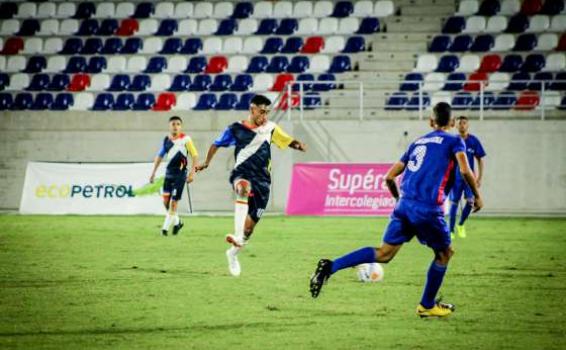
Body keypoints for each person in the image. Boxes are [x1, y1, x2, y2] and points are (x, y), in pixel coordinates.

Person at [309, 102, 483, 318]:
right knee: (444, 253)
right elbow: (466, 170)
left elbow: (389, 177)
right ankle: (427, 305)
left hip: (404, 205)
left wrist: (400, 201)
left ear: (431, 121)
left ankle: (330, 267)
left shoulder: (417, 142)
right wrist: (476, 195)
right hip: (428, 208)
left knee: (384, 253)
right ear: (452, 122)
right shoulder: (455, 140)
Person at [196, 94, 307, 277]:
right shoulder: (236, 128)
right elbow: (216, 144)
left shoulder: (271, 128)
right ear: (252, 109)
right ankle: (237, 236)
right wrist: (206, 162)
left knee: (249, 229)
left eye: (267, 112)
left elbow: (287, 141)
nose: (265, 116)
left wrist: (299, 145)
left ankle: (233, 253)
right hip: (242, 173)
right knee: (242, 189)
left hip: (263, 181)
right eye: (262, 112)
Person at [149, 116, 199, 236]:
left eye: (178, 124)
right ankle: (178, 222)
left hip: (180, 175)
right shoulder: (167, 140)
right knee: (166, 202)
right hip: (168, 174)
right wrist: (153, 173)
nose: (175, 126)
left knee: (174, 203)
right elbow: (160, 156)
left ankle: (164, 229)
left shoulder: (186, 139)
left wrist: (192, 173)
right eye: (173, 124)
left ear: (181, 126)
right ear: (169, 126)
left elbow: (195, 156)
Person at [449, 116, 486, 239]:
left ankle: (461, 225)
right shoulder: (453, 140)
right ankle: (451, 231)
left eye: (464, 123)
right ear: (456, 125)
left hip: (469, 177)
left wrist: (479, 177)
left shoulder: (474, 141)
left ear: (468, 125)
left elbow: (480, 160)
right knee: (454, 203)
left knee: (470, 202)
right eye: (459, 123)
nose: (462, 125)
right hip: (456, 177)